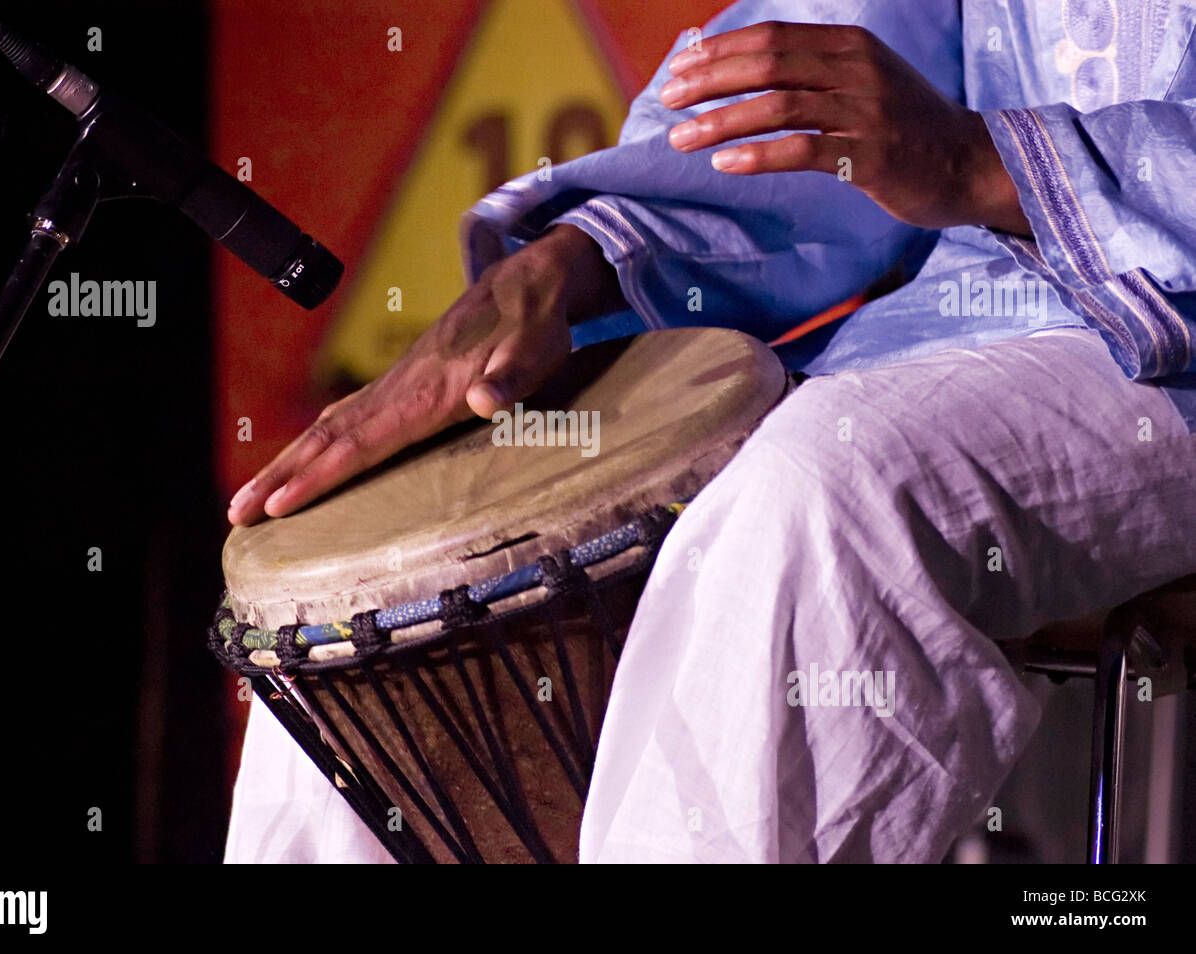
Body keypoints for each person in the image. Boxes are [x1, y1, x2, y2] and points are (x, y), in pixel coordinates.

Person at [223, 0, 1196, 863]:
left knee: (826, 489)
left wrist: (986, 163)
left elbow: (959, 150)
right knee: (395, 578)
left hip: (1168, 366)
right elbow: (839, 57)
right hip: (936, 329)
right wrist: (571, 260)